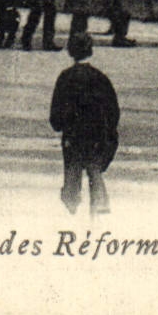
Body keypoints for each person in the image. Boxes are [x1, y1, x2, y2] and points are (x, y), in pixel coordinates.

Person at [49, 32, 119, 216]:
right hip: (97, 135)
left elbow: (56, 113)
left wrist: (60, 125)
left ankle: (70, 210)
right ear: (91, 50)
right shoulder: (100, 78)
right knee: (95, 171)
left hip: (73, 135)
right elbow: (113, 110)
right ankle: (100, 207)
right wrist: (109, 131)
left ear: (70, 52)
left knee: (72, 173)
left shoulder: (65, 77)